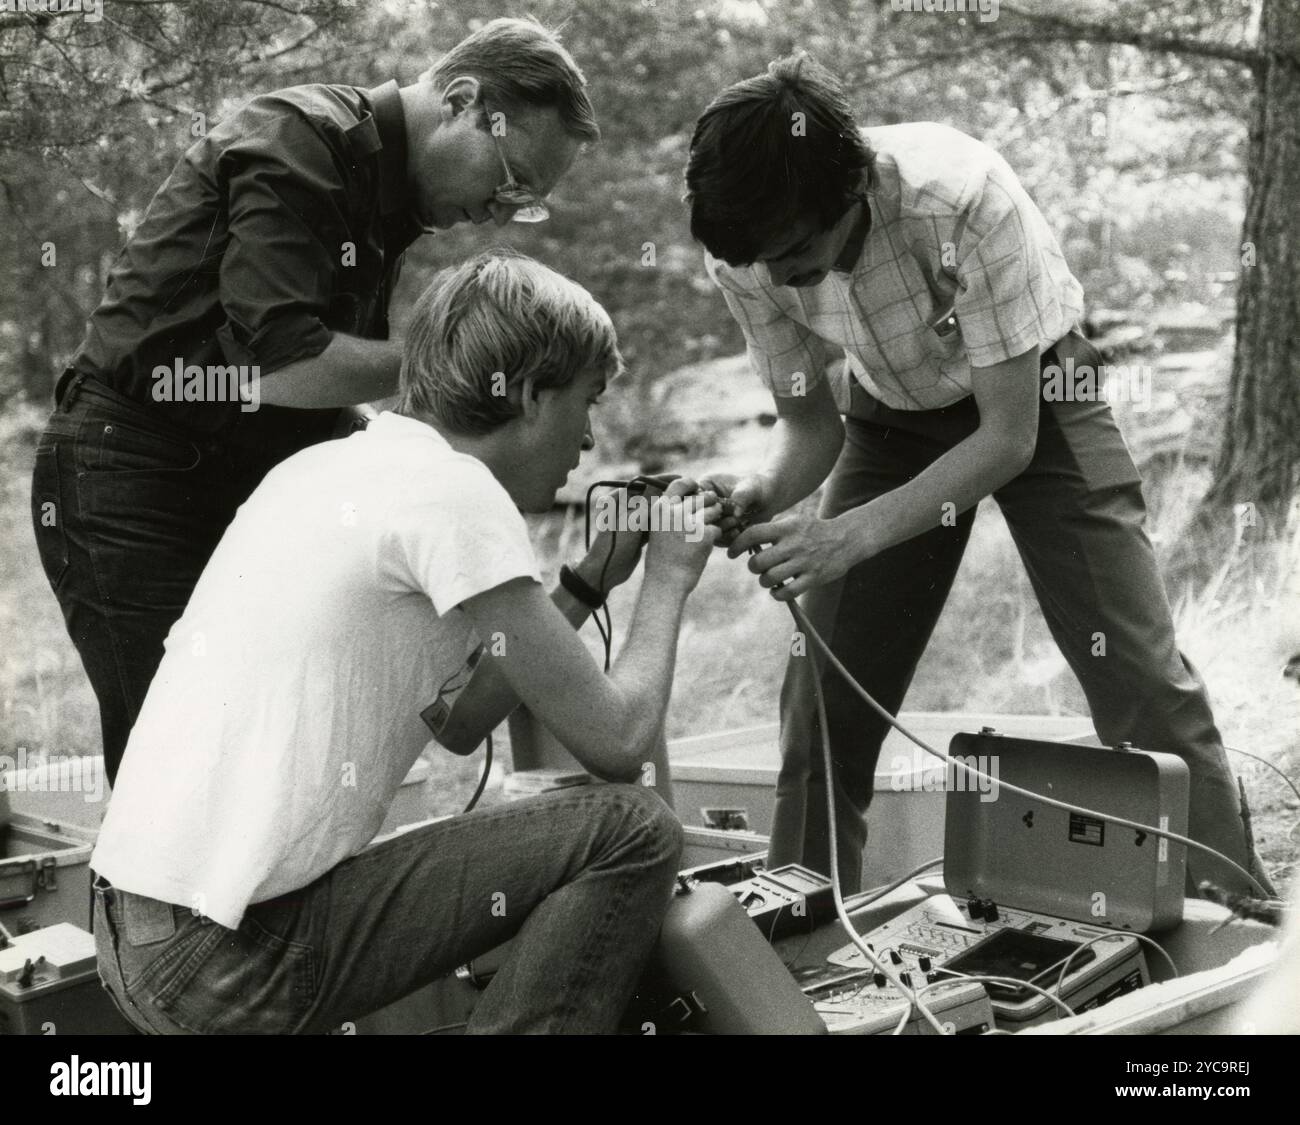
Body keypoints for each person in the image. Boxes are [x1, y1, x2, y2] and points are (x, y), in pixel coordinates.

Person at [685, 55, 1273, 898]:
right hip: (890, 418)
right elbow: (810, 424)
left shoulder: (959, 196)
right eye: (762, 265)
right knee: (820, 703)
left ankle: (1236, 914)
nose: (779, 279)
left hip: (1036, 400)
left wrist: (846, 533)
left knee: (1137, 676)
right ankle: (805, 930)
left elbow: (1007, 440)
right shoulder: (747, 250)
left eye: (794, 253)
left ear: (846, 184)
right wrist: (762, 493)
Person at [88, 249, 721, 1034]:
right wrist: (670, 579)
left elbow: (458, 724)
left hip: (138, 932)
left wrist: (588, 581)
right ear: (528, 394)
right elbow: (619, 742)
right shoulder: (454, 493)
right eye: (587, 402)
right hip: (228, 955)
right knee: (635, 829)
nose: (588, 440)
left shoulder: (329, 468)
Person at [31, 17, 598, 785]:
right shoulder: (303, 142)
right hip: (130, 475)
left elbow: (313, 387)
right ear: (464, 100)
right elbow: (280, 364)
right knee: (178, 759)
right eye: (510, 176)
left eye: (526, 201)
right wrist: (460, 363)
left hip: (231, 475)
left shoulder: (389, 195)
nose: (501, 210)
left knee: (267, 746)